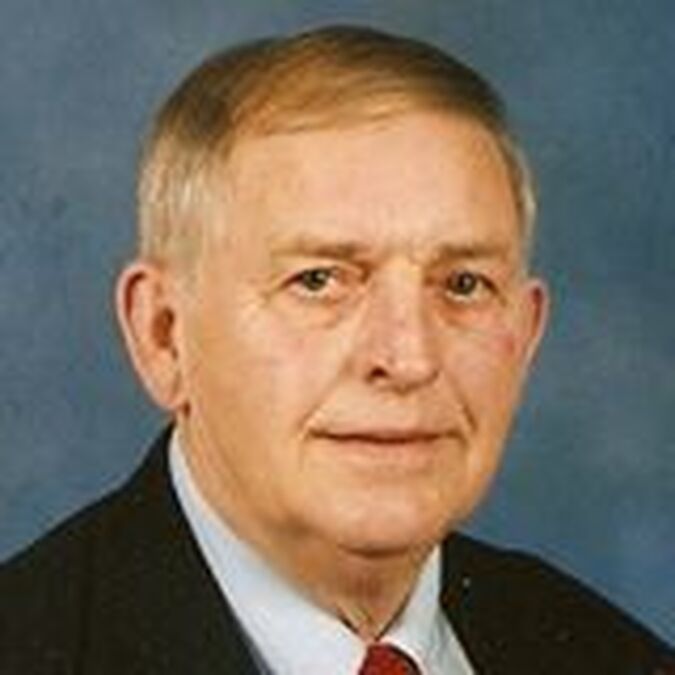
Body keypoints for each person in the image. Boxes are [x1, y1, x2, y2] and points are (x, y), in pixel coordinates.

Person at [0, 24, 672, 675]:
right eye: (318, 281)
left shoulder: (611, 655)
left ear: (524, 337)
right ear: (164, 335)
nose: (408, 359)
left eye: (464, 284)